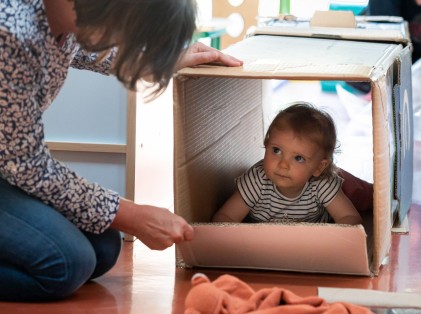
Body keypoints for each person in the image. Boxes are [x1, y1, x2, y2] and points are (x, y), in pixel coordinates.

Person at [0, 0, 243, 302]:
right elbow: (28, 167)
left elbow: (84, 48)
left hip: (8, 162)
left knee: (104, 247)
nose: (120, 40)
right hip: (14, 164)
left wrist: (159, 60)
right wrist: (133, 215)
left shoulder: (67, 15)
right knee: (66, 265)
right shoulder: (9, 32)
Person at [212, 102, 363, 225]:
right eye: (276, 150)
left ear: (318, 167)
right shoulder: (257, 179)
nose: (283, 164)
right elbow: (225, 217)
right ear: (266, 144)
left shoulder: (321, 183)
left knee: (359, 192)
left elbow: (351, 219)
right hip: (261, 246)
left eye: (298, 158)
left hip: (311, 247)